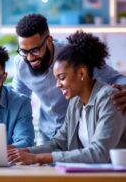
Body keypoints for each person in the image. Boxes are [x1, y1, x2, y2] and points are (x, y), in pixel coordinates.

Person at [0, 14, 126, 144]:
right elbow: (15, 98)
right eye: (24, 51)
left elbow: (116, 78)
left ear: (49, 40)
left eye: (35, 50)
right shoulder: (21, 64)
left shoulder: (71, 55)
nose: (29, 58)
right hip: (48, 133)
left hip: (80, 130)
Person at [7, 31, 126, 165]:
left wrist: (37, 158)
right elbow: (59, 143)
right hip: (92, 174)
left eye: (62, 78)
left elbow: (99, 153)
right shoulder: (76, 102)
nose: (58, 85)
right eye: (56, 79)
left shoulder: (109, 98)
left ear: (81, 73)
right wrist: (23, 151)